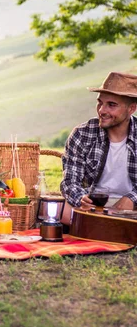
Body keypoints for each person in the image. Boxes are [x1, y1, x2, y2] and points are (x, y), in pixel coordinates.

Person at [61, 72, 137, 224]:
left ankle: (104, 228)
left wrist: (132, 199)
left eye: (111, 105)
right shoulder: (82, 133)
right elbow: (69, 181)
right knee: (64, 212)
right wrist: (80, 198)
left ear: (131, 109)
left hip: (131, 206)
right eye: (100, 103)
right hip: (93, 205)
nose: (102, 110)